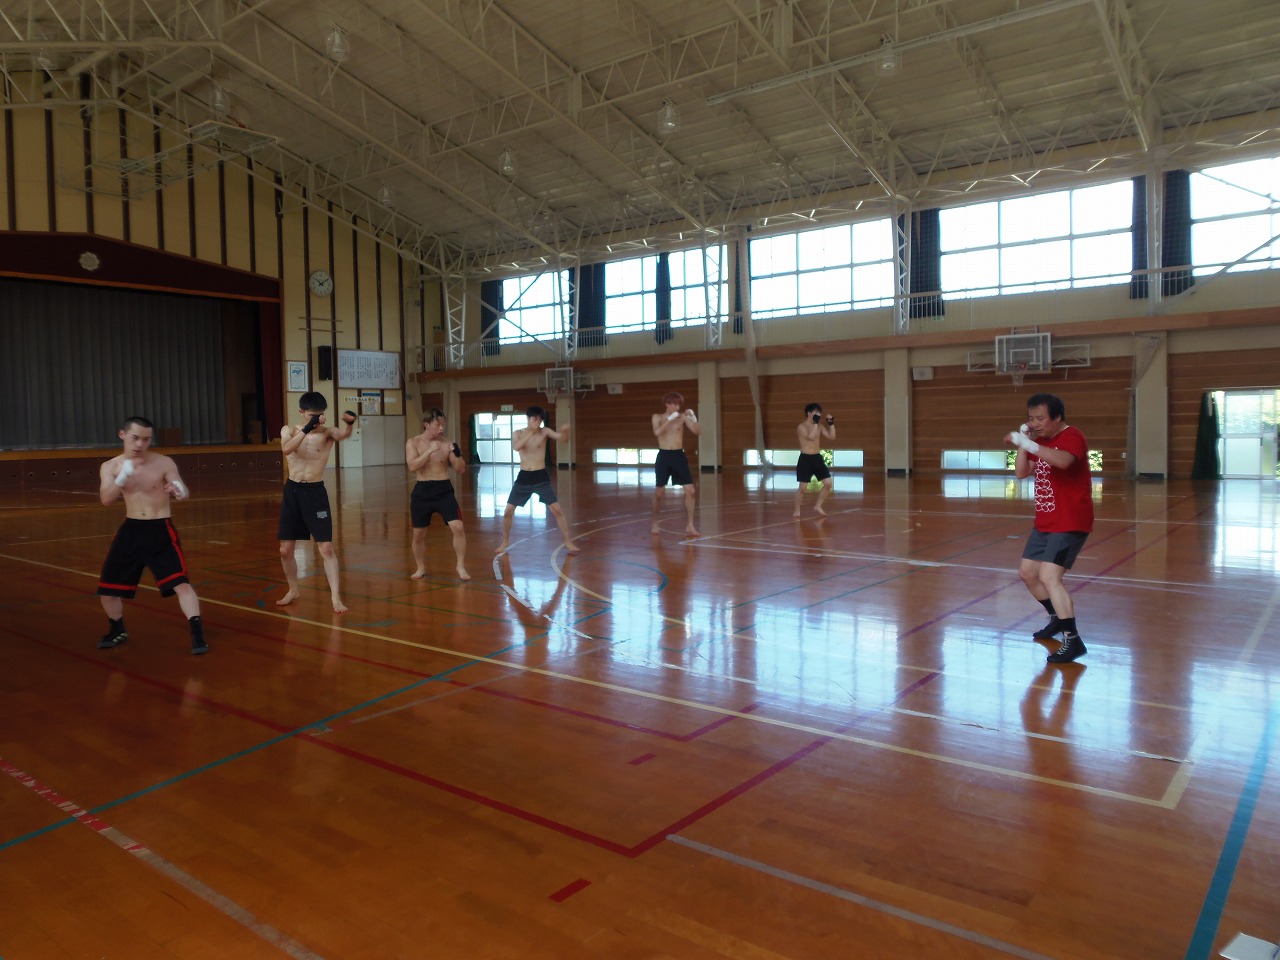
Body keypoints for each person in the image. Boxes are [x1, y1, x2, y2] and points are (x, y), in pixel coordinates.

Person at [96, 416, 207, 655]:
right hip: (131, 529)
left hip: (160, 529)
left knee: (181, 585)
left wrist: (179, 490)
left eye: (146, 439)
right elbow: (106, 499)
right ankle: (117, 629)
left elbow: (182, 490)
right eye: (135, 438)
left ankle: (197, 633)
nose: (140, 444)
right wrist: (123, 475)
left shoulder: (163, 462)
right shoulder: (110, 466)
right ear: (122, 435)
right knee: (107, 590)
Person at [1006, 392, 1093, 664]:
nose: (1036, 423)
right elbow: (1021, 473)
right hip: (1045, 521)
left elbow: (1064, 461)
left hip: (1070, 520)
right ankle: (1057, 618)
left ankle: (1073, 640)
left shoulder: (1072, 436)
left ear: (1057, 417)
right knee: (1028, 573)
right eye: (1031, 418)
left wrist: (1030, 444)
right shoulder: (1039, 441)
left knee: (1049, 576)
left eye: (1041, 418)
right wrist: (1024, 443)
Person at [277, 391, 356, 613]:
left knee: (327, 547)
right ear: (302, 412)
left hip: (315, 492)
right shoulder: (289, 430)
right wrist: (307, 428)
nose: (318, 419)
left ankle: (335, 597)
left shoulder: (328, 433)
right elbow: (286, 449)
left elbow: (343, 435)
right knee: (285, 549)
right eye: (313, 415)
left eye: (320, 415)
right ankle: (293, 589)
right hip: (292, 491)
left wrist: (349, 424)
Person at [494, 406, 578, 556]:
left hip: (540, 475)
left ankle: (567, 540)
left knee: (557, 509)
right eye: (535, 419)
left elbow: (562, 439)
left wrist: (566, 431)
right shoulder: (518, 433)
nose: (538, 422)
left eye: (540, 419)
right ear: (528, 418)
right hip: (524, 476)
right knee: (508, 512)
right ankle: (505, 541)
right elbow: (516, 447)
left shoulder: (544, 432)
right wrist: (531, 432)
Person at [406, 408, 471, 581]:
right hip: (422, 490)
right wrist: (429, 451)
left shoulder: (447, 443)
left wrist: (456, 453)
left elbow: (461, 469)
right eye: (438, 424)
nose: (441, 428)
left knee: (458, 527)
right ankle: (420, 567)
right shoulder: (413, 442)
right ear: (426, 424)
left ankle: (460, 565)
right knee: (418, 534)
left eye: (443, 424)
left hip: (443, 489)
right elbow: (412, 466)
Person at [651, 391, 702, 536]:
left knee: (691, 491)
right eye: (674, 404)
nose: (677, 407)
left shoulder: (682, 418)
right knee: (659, 493)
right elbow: (657, 433)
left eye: (679, 404)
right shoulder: (657, 417)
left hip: (678, 455)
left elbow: (697, 432)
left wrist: (693, 417)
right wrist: (669, 420)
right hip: (664, 455)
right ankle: (655, 522)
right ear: (667, 404)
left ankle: (690, 525)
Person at [795, 403, 836, 517]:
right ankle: (797, 509)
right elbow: (811, 437)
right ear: (809, 413)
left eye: (819, 413)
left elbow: (832, 437)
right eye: (816, 412)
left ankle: (818, 505)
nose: (818, 415)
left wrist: (831, 424)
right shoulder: (801, 427)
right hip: (805, 459)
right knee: (803, 488)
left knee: (828, 484)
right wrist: (816, 423)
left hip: (817, 458)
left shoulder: (820, 426)